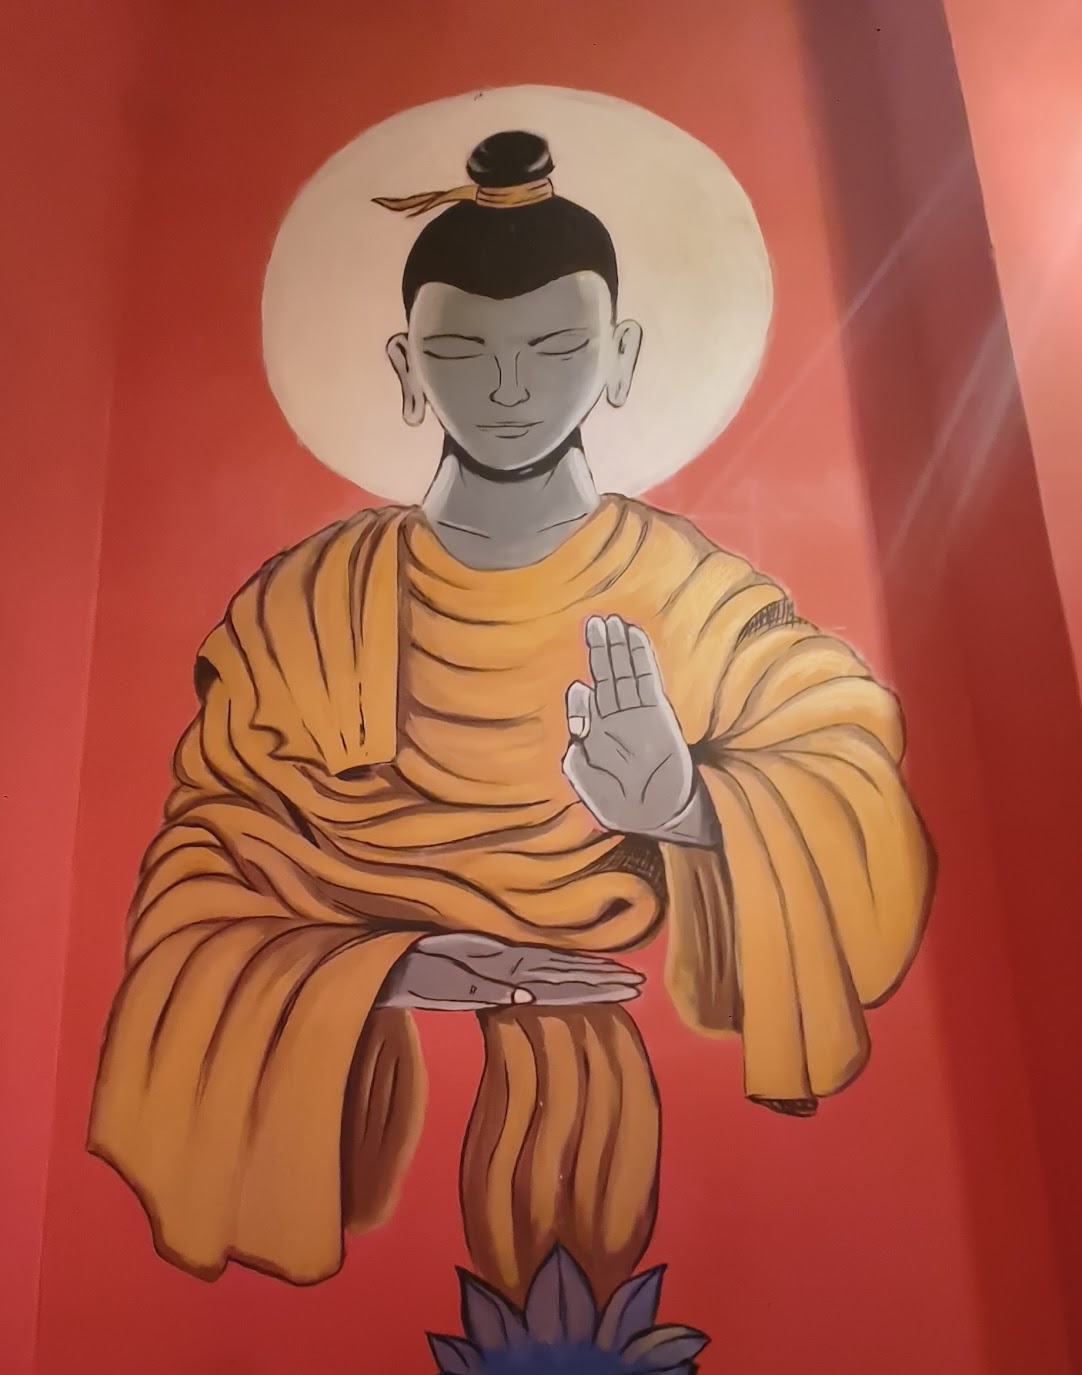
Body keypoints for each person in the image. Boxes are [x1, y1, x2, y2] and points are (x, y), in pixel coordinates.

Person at [90, 130, 934, 1304]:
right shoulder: (310, 603)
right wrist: (390, 966)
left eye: (553, 348)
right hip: (370, 1090)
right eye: (457, 351)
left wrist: (686, 806)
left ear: (619, 358)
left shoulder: (688, 596)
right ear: (405, 365)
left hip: (617, 1061)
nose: (504, 390)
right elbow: (205, 859)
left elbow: (842, 761)